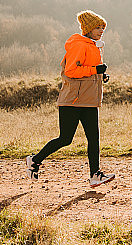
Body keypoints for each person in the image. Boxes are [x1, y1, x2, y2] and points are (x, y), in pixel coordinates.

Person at [25, 10, 115, 187]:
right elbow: (71, 72)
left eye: (103, 27)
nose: (101, 30)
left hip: (88, 100)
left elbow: (88, 69)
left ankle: (95, 175)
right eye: (98, 27)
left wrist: (100, 76)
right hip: (72, 101)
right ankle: (35, 160)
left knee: (93, 138)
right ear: (88, 28)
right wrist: (95, 71)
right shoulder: (79, 45)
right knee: (65, 139)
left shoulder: (93, 45)